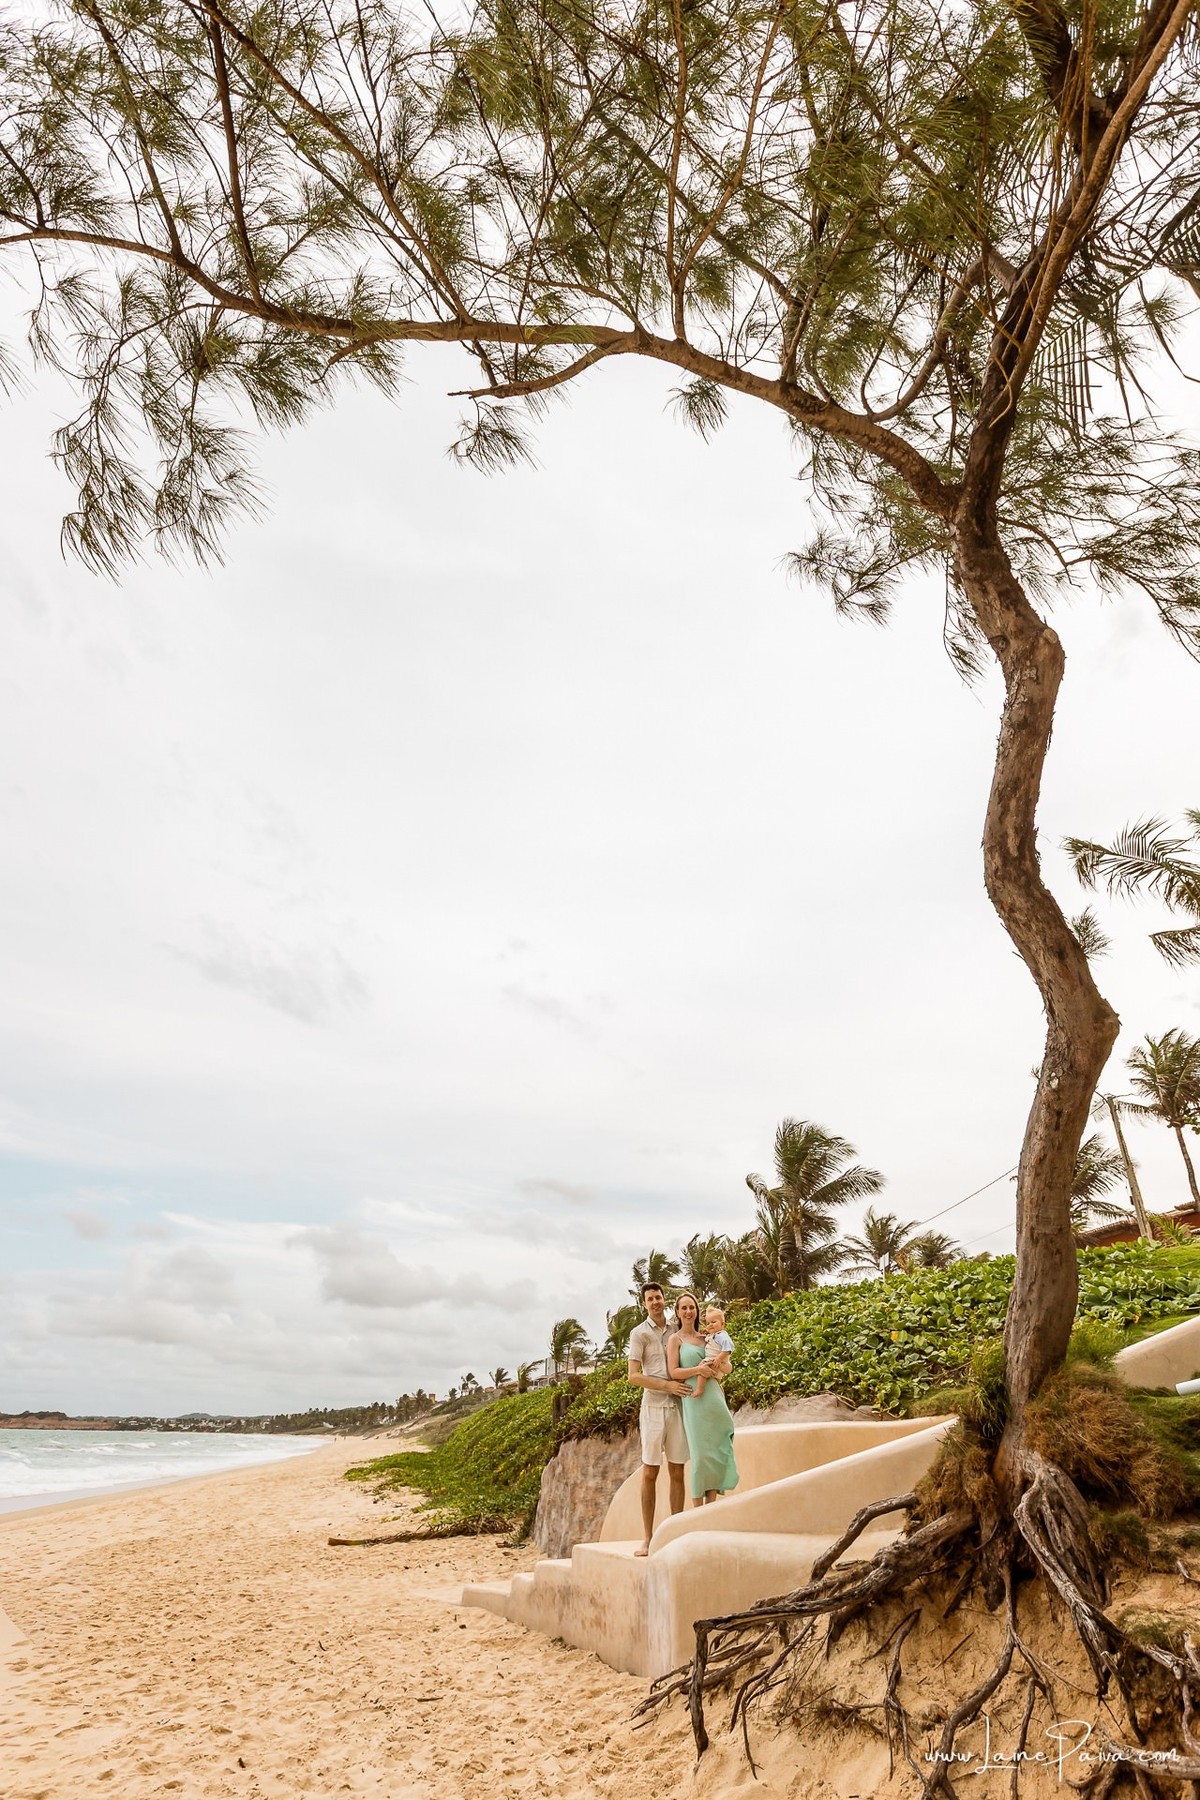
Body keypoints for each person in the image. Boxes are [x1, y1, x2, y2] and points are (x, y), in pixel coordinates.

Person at [627, 1282, 690, 1557]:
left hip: (678, 1406)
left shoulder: (678, 1329)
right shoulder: (638, 1333)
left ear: (665, 1300)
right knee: (650, 1472)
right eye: (650, 1299)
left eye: (658, 1297)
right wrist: (666, 1386)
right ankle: (648, 1538)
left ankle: (675, 1532)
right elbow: (633, 1376)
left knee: (677, 1470)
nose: (655, 1302)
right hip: (652, 1408)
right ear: (644, 1303)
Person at [668, 1292, 739, 1506]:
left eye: (692, 1307)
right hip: (693, 1400)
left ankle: (712, 1507)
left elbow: (727, 1367)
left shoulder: (708, 1338)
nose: (688, 1312)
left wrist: (720, 1367)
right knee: (699, 1456)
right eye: (684, 1308)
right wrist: (697, 1369)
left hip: (714, 1398)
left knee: (716, 1451)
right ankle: (697, 1513)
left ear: (697, 1311)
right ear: (678, 1313)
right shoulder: (675, 1339)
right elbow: (674, 1372)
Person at [703, 1304, 734, 1378]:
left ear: (722, 1324)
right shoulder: (713, 1335)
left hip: (715, 1361)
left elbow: (728, 1348)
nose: (710, 1325)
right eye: (708, 1323)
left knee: (701, 1368)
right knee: (717, 1379)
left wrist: (719, 1358)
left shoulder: (721, 1335)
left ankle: (699, 1388)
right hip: (714, 1361)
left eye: (713, 1322)